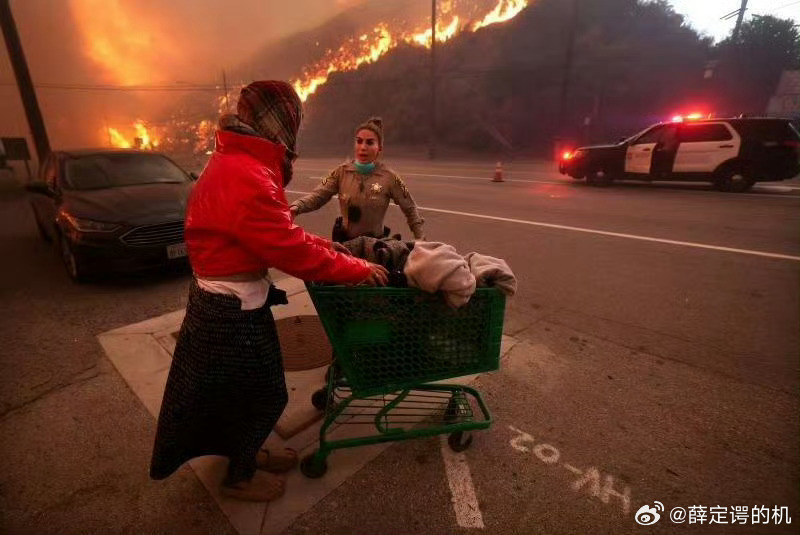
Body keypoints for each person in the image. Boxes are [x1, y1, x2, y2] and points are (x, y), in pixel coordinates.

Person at [149, 81, 388, 502]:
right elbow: (288, 250)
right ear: (282, 122)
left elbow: (280, 234)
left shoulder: (238, 159)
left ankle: (247, 452)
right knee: (263, 395)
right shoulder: (249, 173)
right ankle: (239, 477)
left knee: (239, 391)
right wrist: (354, 268)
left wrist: (328, 247)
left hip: (227, 300)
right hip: (228, 308)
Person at [289, 117, 426, 242]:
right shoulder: (340, 172)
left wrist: (420, 238)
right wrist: (296, 207)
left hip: (374, 246)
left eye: (370, 143)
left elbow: (410, 208)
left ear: (379, 149)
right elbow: (318, 196)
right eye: (359, 141)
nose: (363, 147)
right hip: (345, 245)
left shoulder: (390, 178)